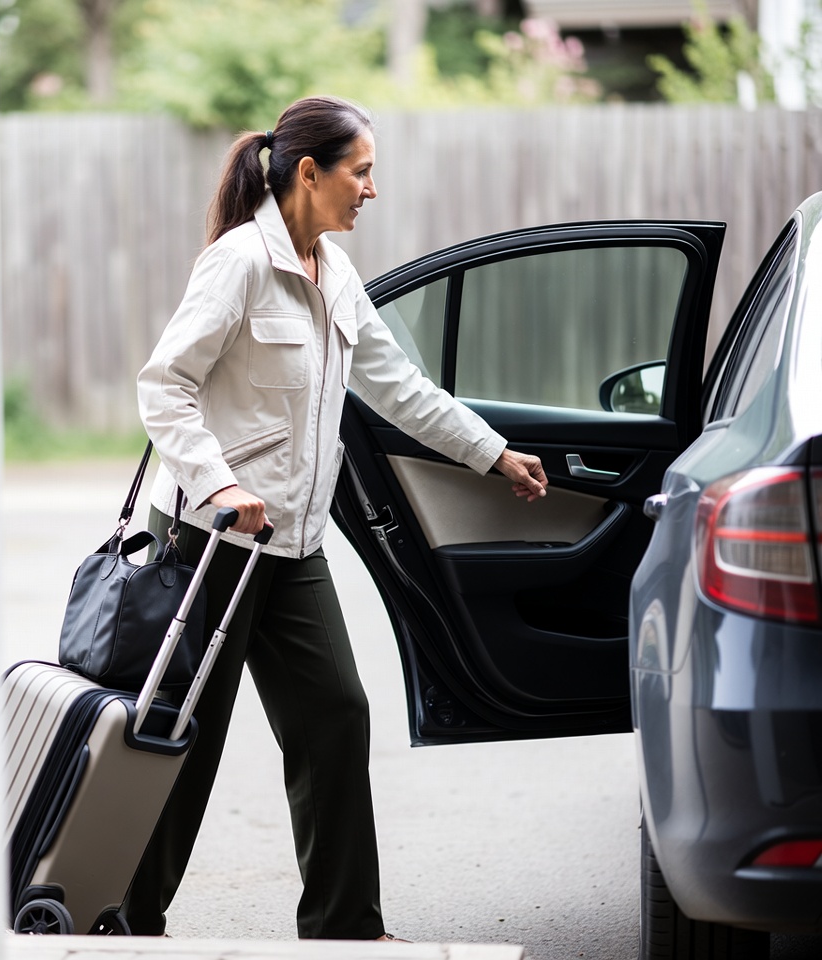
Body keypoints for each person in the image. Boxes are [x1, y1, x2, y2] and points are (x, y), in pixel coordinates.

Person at [122, 95, 548, 941]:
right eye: (362, 172)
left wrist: (490, 451)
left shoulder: (335, 273)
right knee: (185, 738)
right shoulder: (241, 263)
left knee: (337, 715)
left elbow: (399, 387)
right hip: (215, 541)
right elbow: (162, 385)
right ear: (308, 173)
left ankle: (345, 925)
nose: (372, 189)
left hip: (293, 545)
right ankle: (123, 918)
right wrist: (215, 485)